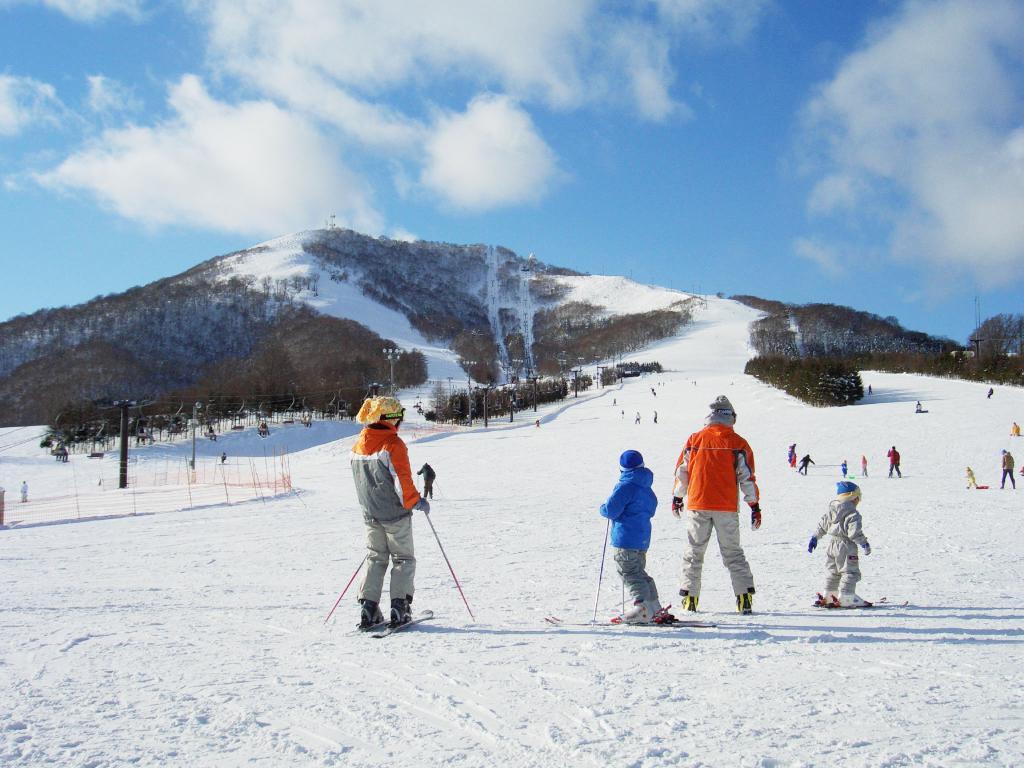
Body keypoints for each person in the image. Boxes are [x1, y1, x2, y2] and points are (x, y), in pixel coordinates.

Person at [671, 395, 760, 615]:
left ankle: (689, 597)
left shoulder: (695, 439)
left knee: (694, 551)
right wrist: (754, 505)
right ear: (731, 416)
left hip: (698, 503)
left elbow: (683, 471)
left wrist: (677, 497)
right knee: (733, 552)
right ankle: (744, 597)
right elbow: (747, 477)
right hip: (726, 506)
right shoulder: (738, 443)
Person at [350, 395, 430, 629]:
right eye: (399, 419)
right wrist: (416, 501)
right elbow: (402, 481)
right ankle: (399, 607)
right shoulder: (392, 445)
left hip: (370, 514)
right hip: (394, 515)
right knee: (403, 558)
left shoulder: (358, 445)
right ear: (390, 419)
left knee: (375, 558)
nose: (400, 424)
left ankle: (369, 607)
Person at [599, 450, 669, 624]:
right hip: (642, 538)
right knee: (639, 572)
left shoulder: (626, 486)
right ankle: (654, 606)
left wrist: (603, 508)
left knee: (629, 572)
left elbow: (611, 510)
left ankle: (641, 607)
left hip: (625, 538)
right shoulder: (646, 487)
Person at [808, 481, 871, 607]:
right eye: (858, 498)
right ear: (854, 497)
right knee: (850, 572)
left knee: (834, 571)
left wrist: (815, 538)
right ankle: (847, 597)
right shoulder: (853, 513)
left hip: (832, 545)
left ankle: (829, 595)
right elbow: (854, 533)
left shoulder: (832, 510)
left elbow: (823, 525)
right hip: (846, 545)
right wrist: (864, 544)